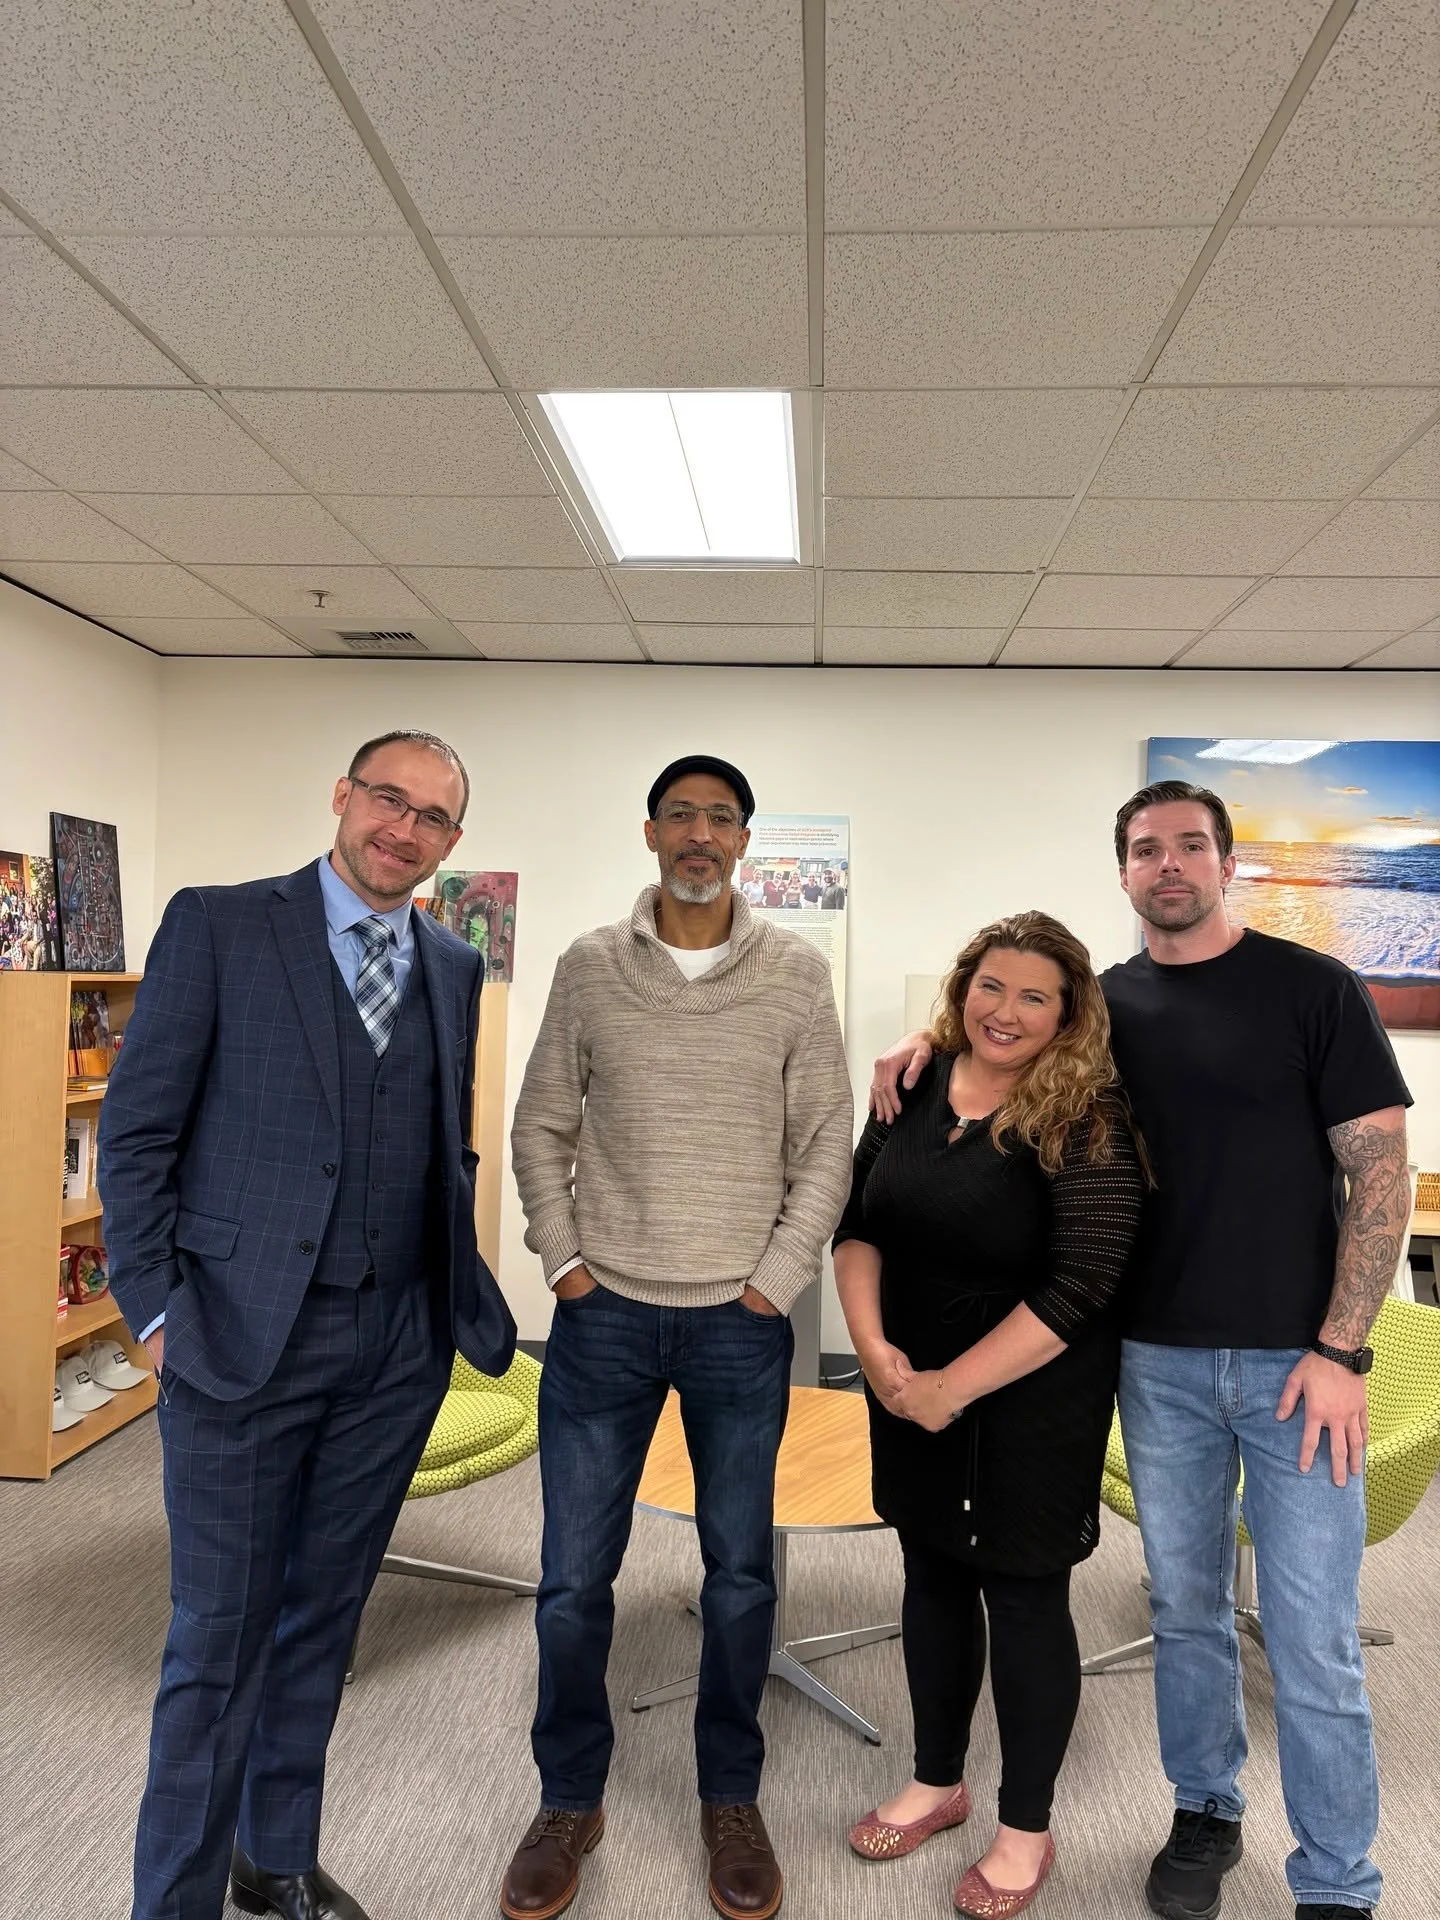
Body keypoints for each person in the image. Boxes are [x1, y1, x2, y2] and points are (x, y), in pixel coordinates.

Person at [872, 780, 1412, 1920]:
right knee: (1187, 1611)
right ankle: (1205, 1810)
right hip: (1156, 1362)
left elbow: (1380, 1174)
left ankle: (1337, 1882)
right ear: (1122, 872)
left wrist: (1342, 1347)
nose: (1168, 865)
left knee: (1313, 1641)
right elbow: (999, 1037)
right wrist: (908, 1050)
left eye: (1190, 846)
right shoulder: (1103, 1009)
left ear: (1228, 863)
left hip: (1293, 1368)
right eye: (1144, 849)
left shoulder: (1315, 990)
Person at [98, 730, 516, 1920]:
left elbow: (444, 1143)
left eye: (435, 817)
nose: (405, 828)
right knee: (215, 1639)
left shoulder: (449, 963)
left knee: (325, 1617)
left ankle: (272, 1855)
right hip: (235, 1337)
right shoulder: (222, 926)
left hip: (394, 1350)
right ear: (343, 798)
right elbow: (135, 1134)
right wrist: (154, 1309)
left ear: (450, 844)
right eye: (390, 799)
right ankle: (170, 1900)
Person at [505, 753, 853, 1920]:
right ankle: (569, 1795)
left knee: (742, 1574)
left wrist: (774, 1282)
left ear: (746, 842)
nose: (700, 834)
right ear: (649, 833)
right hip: (601, 1321)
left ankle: (729, 1796)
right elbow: (542, 1120)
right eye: (681, 815)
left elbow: (826, 1146)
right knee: (570, 1582)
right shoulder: (591, 967)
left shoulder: (796, 974)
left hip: (738, 1325)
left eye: (721, 818)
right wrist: (562, 1261)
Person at [837, 912, 1144, 1918]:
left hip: (1029, 1397)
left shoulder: (1085, 1111)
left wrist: (948, 1388)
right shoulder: (911, 1083)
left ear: (1068, 1014)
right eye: (990, 986)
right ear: (963, 987)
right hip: (908, 1381)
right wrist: (876, 1351)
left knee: (1020, 1598)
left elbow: (1084, 1281)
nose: (1005, 1011)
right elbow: (857, 1223)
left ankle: (1025, 1827)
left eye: (1034, 996)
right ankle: (937, 1781)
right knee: (928, 1573)